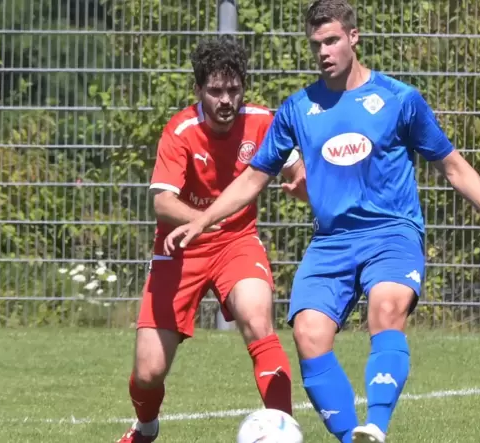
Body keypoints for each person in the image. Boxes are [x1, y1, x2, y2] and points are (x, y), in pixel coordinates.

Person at [165, 1, 480, 442]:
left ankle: (376, 423)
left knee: (385, 308)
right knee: (307, 332)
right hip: (332, 240)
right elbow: (253, 179)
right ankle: (351, 437)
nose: (324, 51)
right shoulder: (297, 110)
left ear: (353, 38)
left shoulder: (399, 99)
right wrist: (203, 219)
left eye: (332, 40)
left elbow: (450, 164)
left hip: (392, 233)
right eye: (316, 44)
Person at [116, 35, 307, 443]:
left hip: (237, 241)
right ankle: (146, 427)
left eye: (233, 90)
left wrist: (309, 186)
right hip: (179, 247)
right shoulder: (181, 130)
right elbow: (163, 203)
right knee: (148, 372)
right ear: (198, 90)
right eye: (215, 91)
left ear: (244, 88)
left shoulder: (263, 121)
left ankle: (283, 430)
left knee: (258, 320)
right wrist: (201, 221)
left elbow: (298, 173)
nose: (225, 100)